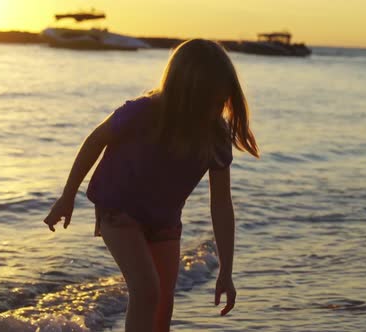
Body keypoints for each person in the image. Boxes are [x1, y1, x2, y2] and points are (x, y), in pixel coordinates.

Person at [43, 39, 259, 332]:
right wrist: (67, 197)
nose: (216, 111)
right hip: (118, 211)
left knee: (162, 304)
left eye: (221, 102)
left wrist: (226, 271)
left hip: (164, 222)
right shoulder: (143, 112)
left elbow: (221, 204)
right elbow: (95, 140)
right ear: (186, 94)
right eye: (210, 102)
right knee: (146, 291)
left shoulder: (216, 136)